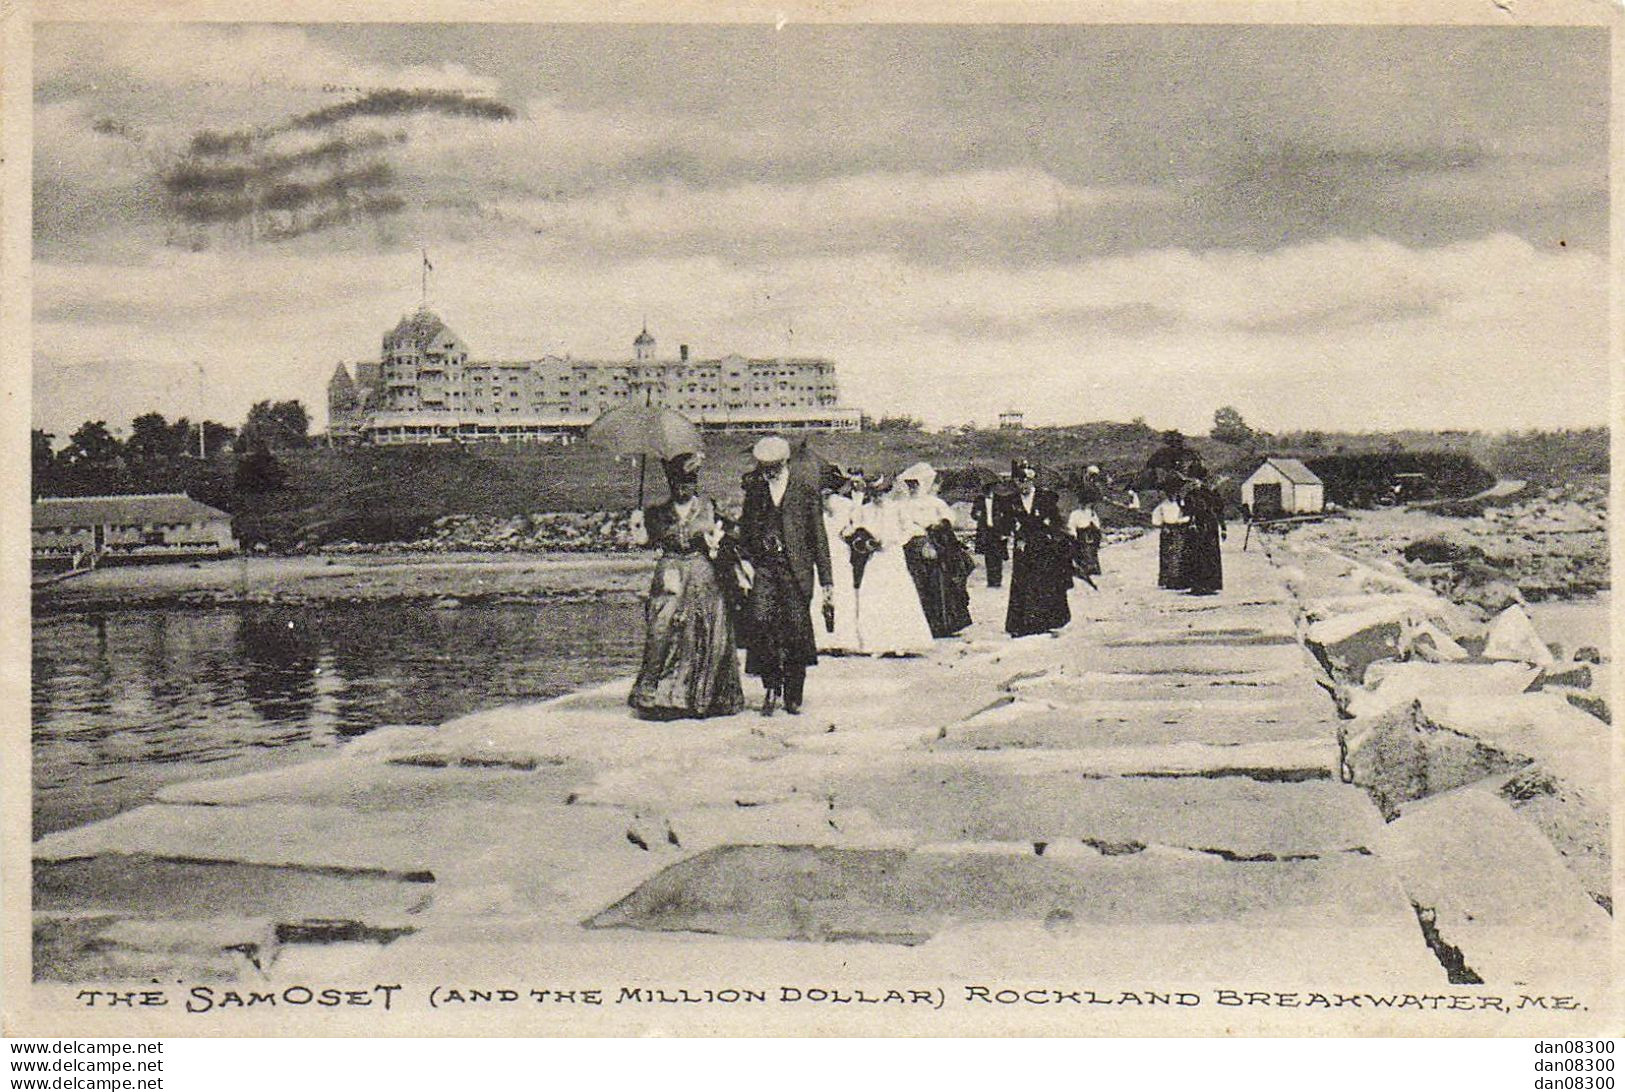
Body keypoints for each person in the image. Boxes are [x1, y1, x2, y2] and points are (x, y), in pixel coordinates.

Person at [628, 453, 746, 720]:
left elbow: (730, 535)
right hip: (669, 574)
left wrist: (717, 542)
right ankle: (659, 697)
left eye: (688, 483)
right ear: (671, 485)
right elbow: (647, 542)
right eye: (678, 484)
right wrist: (637, 526)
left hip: (702, 574)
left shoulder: (708, 508)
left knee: (701, 631)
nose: (683, 489)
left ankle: (700, 698)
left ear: (695, 483)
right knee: (662, 630)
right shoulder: (657, 513)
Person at [738, 435, 833, 716]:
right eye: (763, 466)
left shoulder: (805, 490)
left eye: (773, 466)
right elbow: (746, 530)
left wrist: (827, 581)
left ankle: (793, 693)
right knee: (760, 621)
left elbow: (819, 537)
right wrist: (753, 552)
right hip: (766, 568)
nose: (768, 471)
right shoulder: (755, 490)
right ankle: (771, 684)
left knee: (796, 630)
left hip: (797, 571)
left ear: (785, 462)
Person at [851, 474, 934, 656]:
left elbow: (908, 529)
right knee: (874, 595)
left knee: (897, 595)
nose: (878, 497)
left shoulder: (897, 508)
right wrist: (867, 543)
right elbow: (856, 530)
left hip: (893, 554)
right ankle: (876, 643)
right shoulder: (865, 510)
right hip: (875, 557)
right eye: (874, 494)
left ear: (888, 492)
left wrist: (895, 541)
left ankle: (900, 642)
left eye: (881, 493)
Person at [897, 462, 973, 638]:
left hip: (935, 546)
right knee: (917, 585)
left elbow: (949, 518)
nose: (912, 488)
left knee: (938, 585)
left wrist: (937, 526)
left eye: (915, 483)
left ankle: (942, 624)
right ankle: (921, 624)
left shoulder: (935, 503)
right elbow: (902, 525)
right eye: (909, 484)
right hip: (911, 546)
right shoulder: (903, 505)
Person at [1003, 459, 1072, 637]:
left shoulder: (1045, 497)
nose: (1022, 486)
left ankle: (1044, 621)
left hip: (1043, 546)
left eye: (1025, 481)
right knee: (1022, 582)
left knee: (1043, 581)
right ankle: (1021, 623)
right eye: (1018, 482)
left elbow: (1056, 521)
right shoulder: (1011, 500)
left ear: (1032, 481)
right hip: (1023, 547)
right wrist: (1012, 533)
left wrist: (1053, 535)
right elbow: (1008, 523)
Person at [809, 467, 863, 653]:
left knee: (843, 594)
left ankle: (843, 640)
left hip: (839, 552)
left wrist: (849, 531)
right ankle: (819, 640)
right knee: (816, 594)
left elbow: (858, 522)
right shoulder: (811, 506)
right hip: (817, 553)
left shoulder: (845, 505)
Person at [1182, 476, 1227, 595]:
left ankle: (1211, 585)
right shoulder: (1189, 496)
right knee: (1195, 556)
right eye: (1192, 481)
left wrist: (1223, 528)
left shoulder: (1210, 495)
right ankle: (1196, 585)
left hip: (1210, 528)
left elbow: (1219, 512)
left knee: (1210, 556)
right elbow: (1186, 513)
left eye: (1197, 480)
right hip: (1195, 529)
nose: (1195, 483)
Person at [972, 479, 1009, 588]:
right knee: (989, 556)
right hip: (985, 531)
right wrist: (976, 514)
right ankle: (991, 581)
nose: (987, 490)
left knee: (998, 555)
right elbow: (973, 514)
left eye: (988, 488)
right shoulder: (979, 500)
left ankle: (997, 580)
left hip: (997, 531)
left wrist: (1005, 531)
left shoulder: (1000, 500)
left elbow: (1007, 516)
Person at [1151, 488, 1190, 590]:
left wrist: (1182, 520)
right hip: (1167, 529)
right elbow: (1156, 519)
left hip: (1179, 528)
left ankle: (1179, 579)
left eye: (1174, 493)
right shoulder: (1162, 505)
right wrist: (1162, 525)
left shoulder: (1182, 504)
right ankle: (1167, 579)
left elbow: (1188, 515)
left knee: (1179, 553)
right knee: (1167, 554)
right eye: (1170, 493)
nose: (1172, 495)